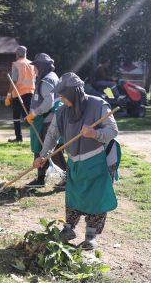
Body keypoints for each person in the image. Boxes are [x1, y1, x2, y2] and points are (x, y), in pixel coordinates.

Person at [33, 72, 120, 250]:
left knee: (95, 199)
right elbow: (52, 135)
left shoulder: (98, 105)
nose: (61, 98)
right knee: (73, 196)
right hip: (75, 161)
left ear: (73, 94)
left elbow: (113, 130)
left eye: (63, 95)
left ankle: (90, 237)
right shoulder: (62, 111)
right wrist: (43, 155)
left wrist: (94, 134)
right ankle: (68, 229)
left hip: (98, 160)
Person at [23, 53, 67, 188]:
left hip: (48, 119)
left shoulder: (47, 80)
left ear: (41, 67)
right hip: (46, 119)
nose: (34, 69)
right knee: (41, 147)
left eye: (36, 67)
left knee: (52, 150)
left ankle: (67, 178)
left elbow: (49, 103)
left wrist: (34, 113)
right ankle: (41, 178)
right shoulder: (51, 77)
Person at [5, 46, 36, 143]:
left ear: (17, 54)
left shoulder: (16, 64)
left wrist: (9, 95)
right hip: (31, 93)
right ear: (26, 53)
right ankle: (35, 136)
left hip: (18, 94)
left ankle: (19, 137)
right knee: (29, 117)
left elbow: (13, 81)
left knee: (16, 117)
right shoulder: (32, 64)